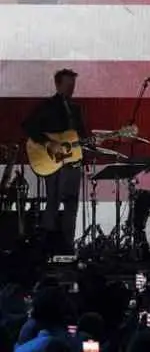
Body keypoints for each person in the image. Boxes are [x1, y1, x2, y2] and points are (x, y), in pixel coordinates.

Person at [22, 68, 88, 255]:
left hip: (73, 163)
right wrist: (49, 143)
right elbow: (28, 126)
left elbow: (81, 135)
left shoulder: (76, 109)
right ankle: (46, 250)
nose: (71, 88)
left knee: (72, 203)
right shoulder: (48, 106)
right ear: (58, 84)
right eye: (68, 84)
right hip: (53, 163)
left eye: (73, 84)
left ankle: (67, 248)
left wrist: (91, 143)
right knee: (54, 202)